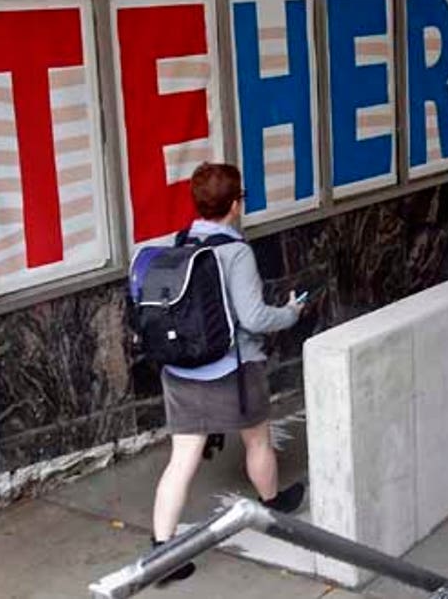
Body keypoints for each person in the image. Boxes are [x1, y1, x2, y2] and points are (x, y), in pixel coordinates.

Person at [150, 162, 306, 585]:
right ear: (235, 205)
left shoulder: (178, 242)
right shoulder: (236, 252)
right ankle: (272, 504)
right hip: (232, 370)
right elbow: (253, 318)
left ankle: (162, 551)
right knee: (257, 437)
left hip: (181, 369)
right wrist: (290, 313)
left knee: (182, 458)